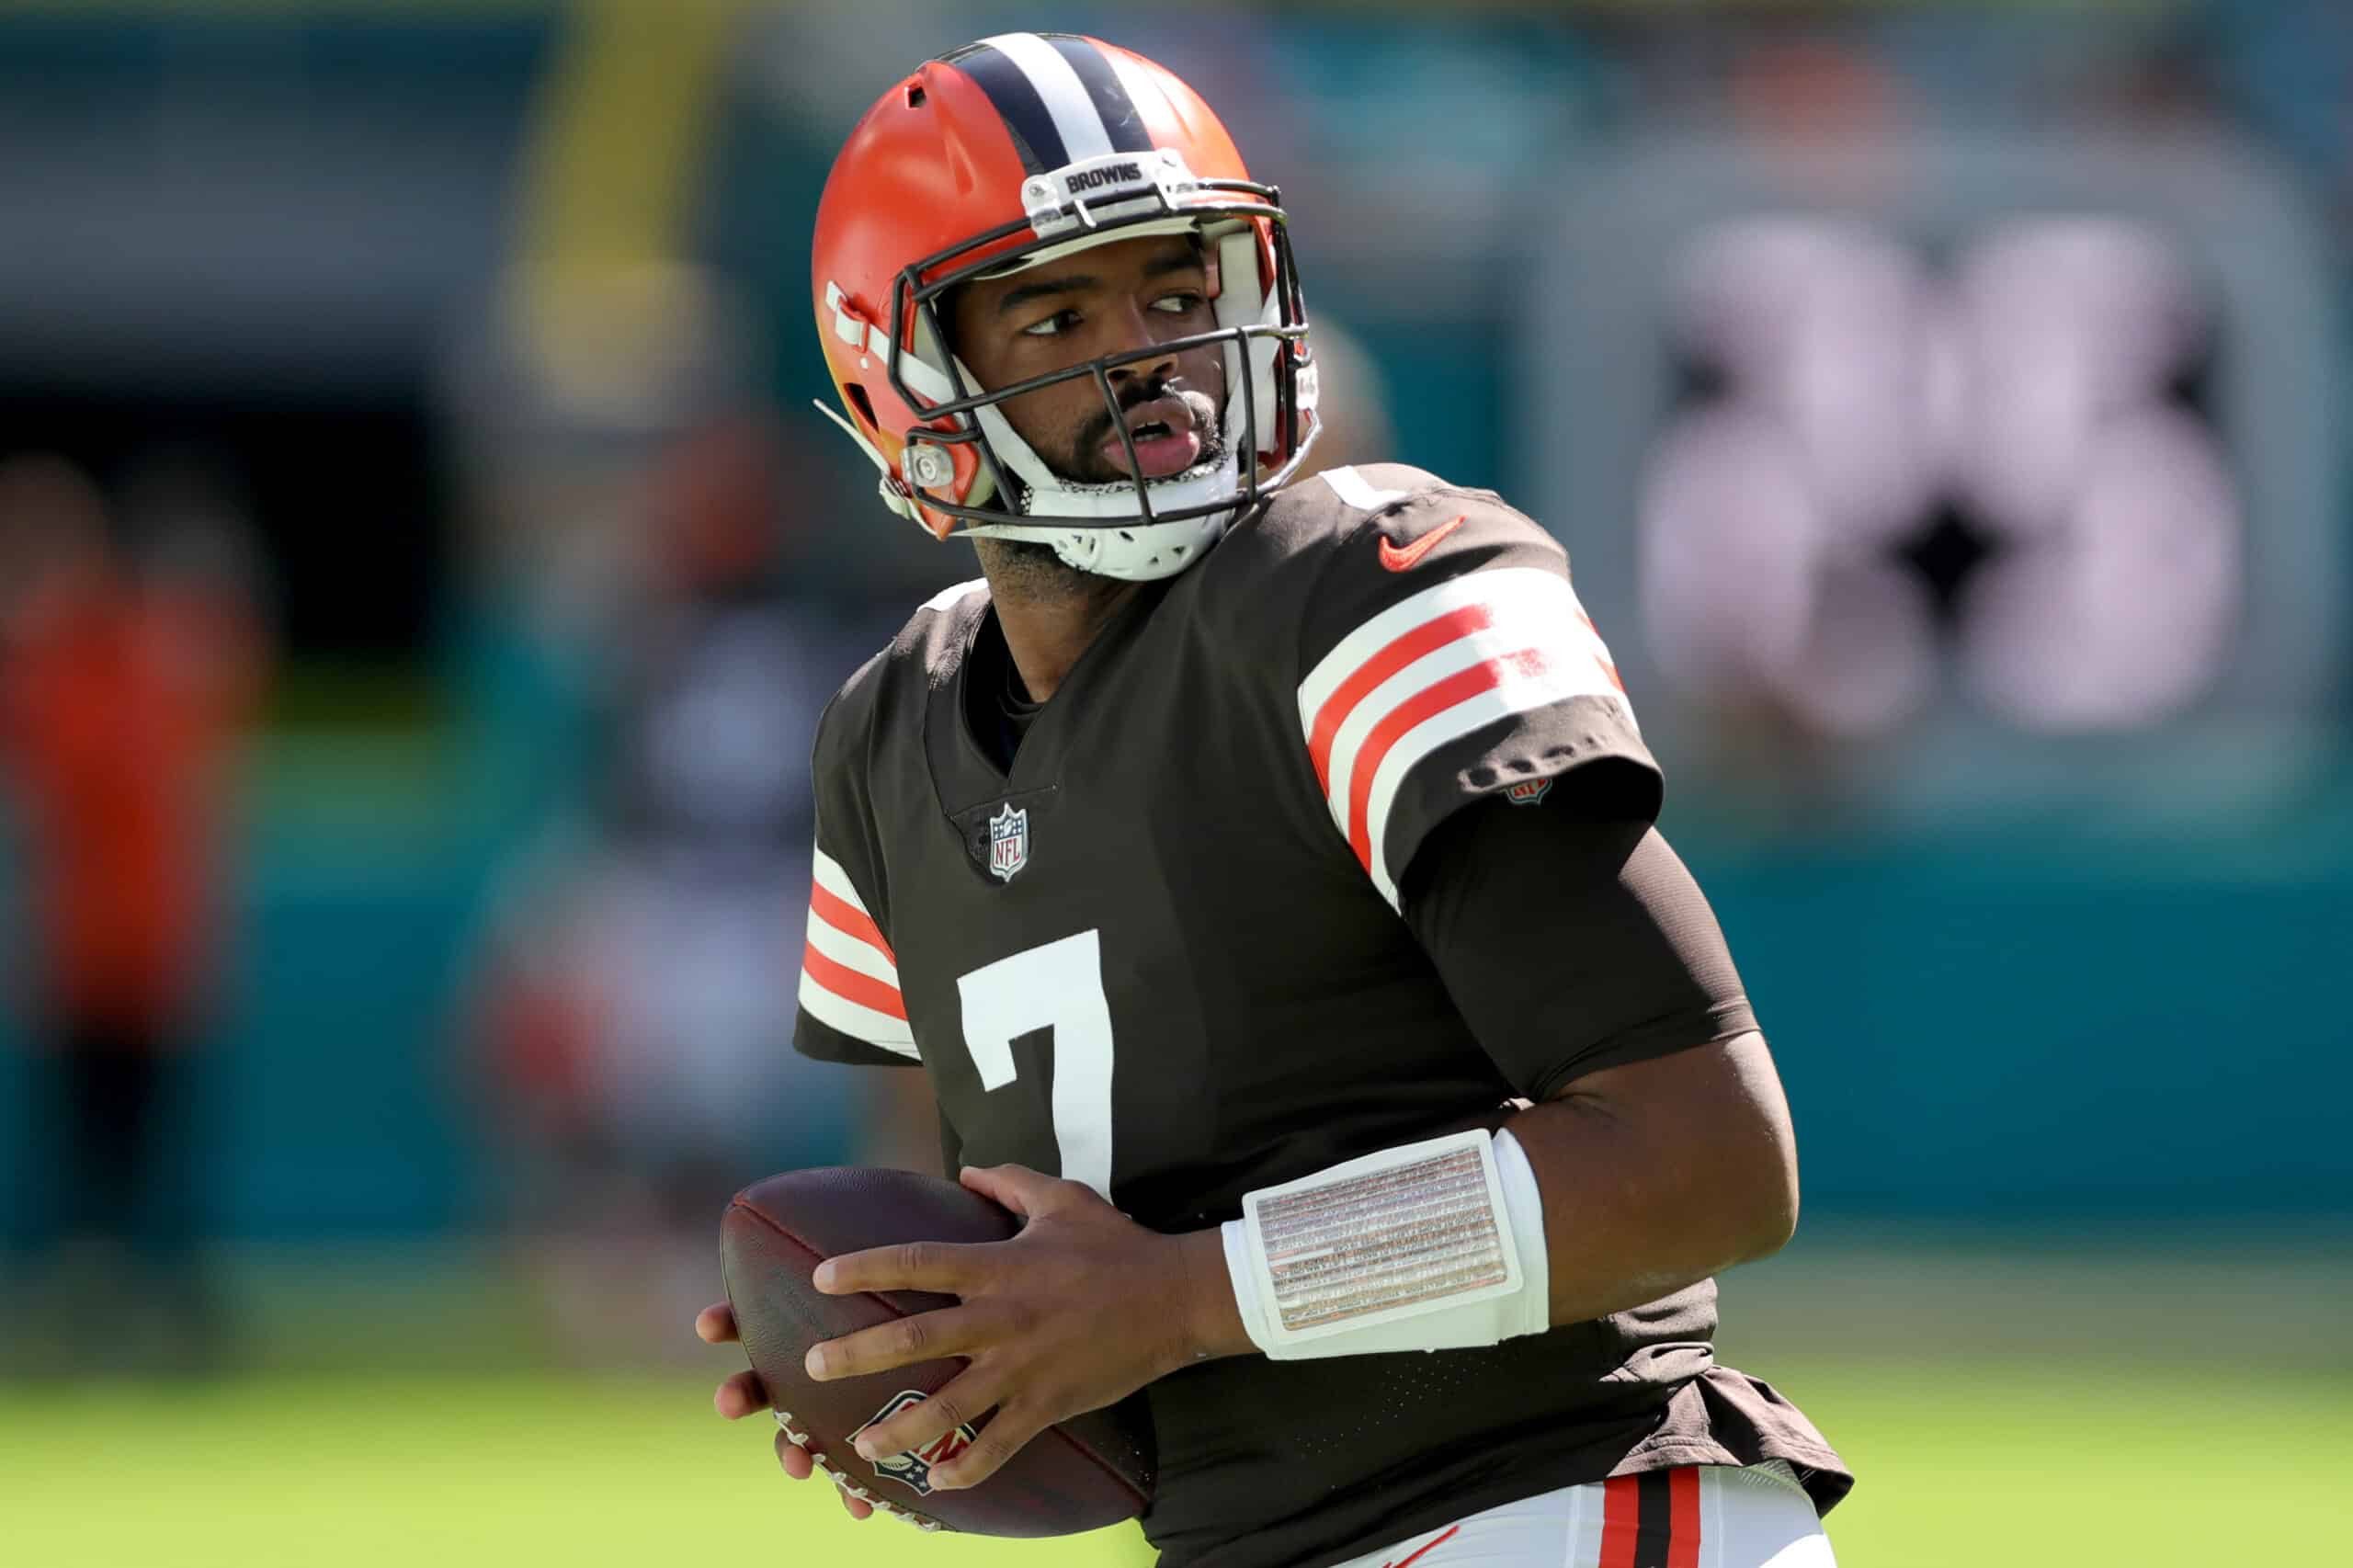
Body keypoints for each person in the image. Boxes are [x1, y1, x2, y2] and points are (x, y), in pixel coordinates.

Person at [696, 33, 1850, 1568]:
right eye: (1056, 313)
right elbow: (995, 1219)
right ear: (907, 378)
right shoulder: (886, 735)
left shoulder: (1363, 591)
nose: (1152, 356)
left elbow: (1710, 1154)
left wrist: (1182, 1294)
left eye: (1179, 294)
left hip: (1552, 1507)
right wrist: (917, 1357)